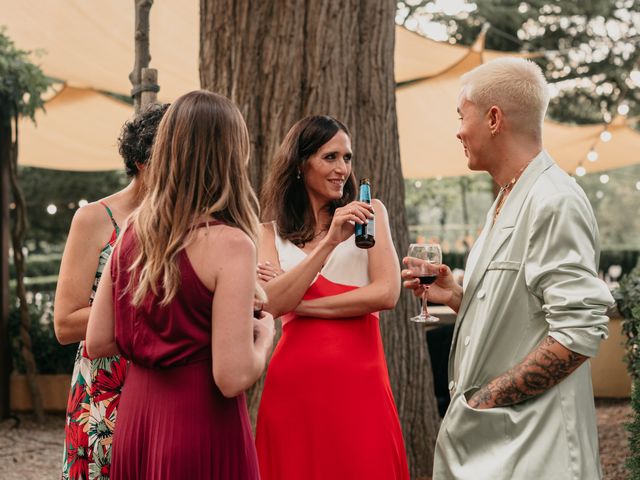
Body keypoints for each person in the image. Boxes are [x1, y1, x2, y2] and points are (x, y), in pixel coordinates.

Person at [402, 57, 615, 479]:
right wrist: (460, 297)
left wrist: (483, 402)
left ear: (494, 118)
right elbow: (521, 315)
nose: (459, 131)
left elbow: (580, 332)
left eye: (461, 116)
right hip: (497, 448)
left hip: (537, 449)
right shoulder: (506, 199)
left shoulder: (554, 200)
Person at [85, 90, 275, 479]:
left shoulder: (134, 231)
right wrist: (265, 333)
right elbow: (232, 376)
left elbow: (98, 340)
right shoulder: (232, 244)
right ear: (231, 155)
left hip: (136, 425)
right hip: (200, 426)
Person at [255, 115, 410, 480]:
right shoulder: (268, 233)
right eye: (330, 157)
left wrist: (301, 303)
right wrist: (328, 243)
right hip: (293, 387)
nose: (343, 168)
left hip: (361, 384)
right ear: (299, 163)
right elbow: (270, 304)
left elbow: (386, 293)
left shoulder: (369, 216)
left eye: (347, 158)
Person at [55, 102, 168, 480]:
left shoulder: (190, 225)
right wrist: (154, 311)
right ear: (142, 161)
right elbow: (66, 323)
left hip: (170, 387)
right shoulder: (94, 219)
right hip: (103, 389)